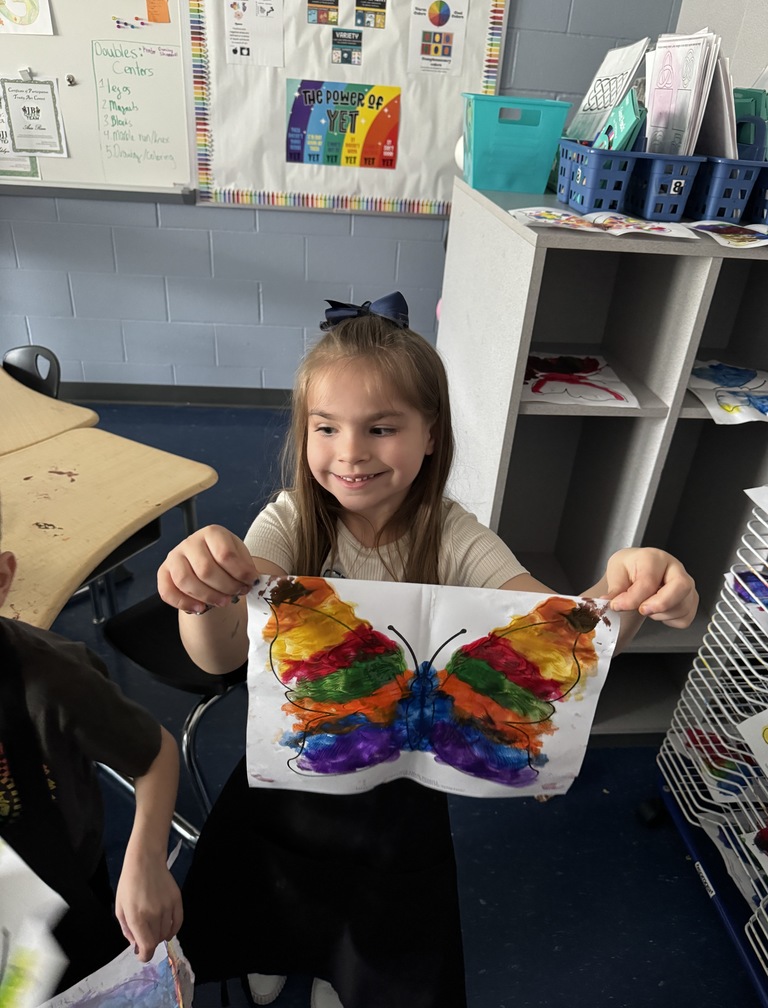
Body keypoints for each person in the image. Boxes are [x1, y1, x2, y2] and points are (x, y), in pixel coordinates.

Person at [158, 291, 699, 1008]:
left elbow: (553, 628)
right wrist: (202, 595)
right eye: (326, 428)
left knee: (381, 896)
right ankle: (281, 947)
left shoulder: (455, 534)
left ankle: (337, 968)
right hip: (298, 766)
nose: (350, 452)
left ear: (431, 435)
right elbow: (218, 657)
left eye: (381, 428)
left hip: (401, 784)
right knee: (280, 881)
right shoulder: (289, 521)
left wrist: (628, 593)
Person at [0, 509, 183, 993]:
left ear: (2, 580)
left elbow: (153, 753)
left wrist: (144, 860)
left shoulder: (52, 680)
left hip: (63, 894)